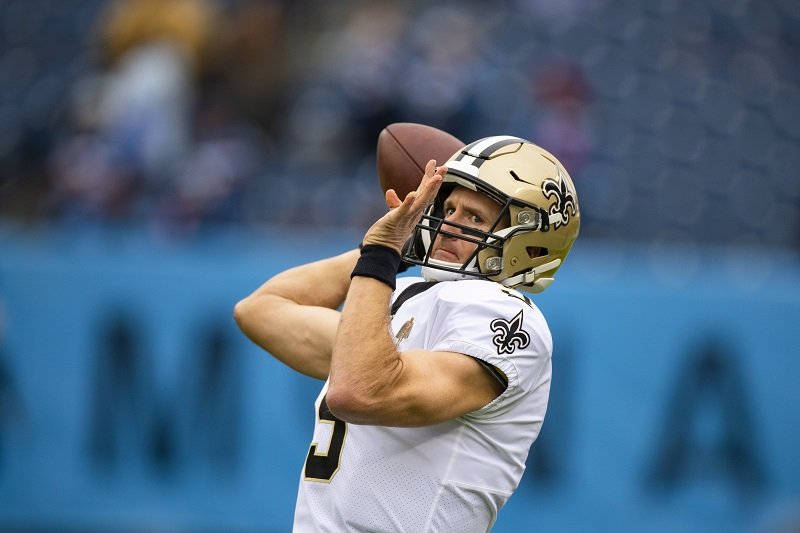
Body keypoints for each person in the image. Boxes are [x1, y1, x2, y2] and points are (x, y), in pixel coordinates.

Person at [234, 135, 580, 532]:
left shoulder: (504, 312)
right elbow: (260, 310)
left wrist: (381, 254)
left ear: (532, 246)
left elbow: (359, 392)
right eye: (448, 208)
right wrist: (382, 253)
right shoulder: (405, 299)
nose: (449, 225)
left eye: (475, 218)